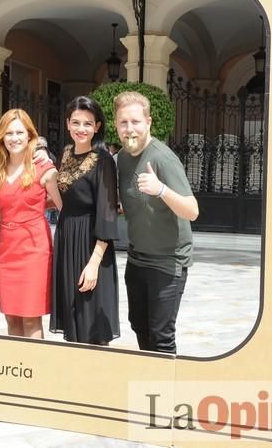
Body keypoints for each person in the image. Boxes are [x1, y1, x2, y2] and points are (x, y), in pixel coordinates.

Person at [114, 91, 199, 354]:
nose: (130, 129)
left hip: (168, 263)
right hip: (137, 259)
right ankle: (149, 386)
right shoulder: (122, 159)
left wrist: (161, 189)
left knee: (161, 337)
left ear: (148, 122)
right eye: (123, 123)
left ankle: (162, 393)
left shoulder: (163, 158)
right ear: (116, 125)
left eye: (136, 122)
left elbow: (192, 211)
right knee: (140, 327)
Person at [50, 96, 119, 345]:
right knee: (73, 317)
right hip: (68, 239)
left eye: (88, 124)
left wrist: (94, 264)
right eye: (76, 122)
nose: (81, 129)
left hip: (91, 244)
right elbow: (63, 199)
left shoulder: (103, 162)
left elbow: (108, 213)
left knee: (91, 323)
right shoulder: (66, 154)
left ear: (97, 127)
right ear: (67, 124)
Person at [0, 110, 62, 338]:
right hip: (7, 250)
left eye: (20, 132)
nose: (14, 138)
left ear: (30, 135)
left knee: (31, 319)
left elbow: (64, 209)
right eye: (9, 133)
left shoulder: (45, 169)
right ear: (1, 137)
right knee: (11, 318)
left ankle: (34, 370)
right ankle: (15, 369)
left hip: (34, 250)